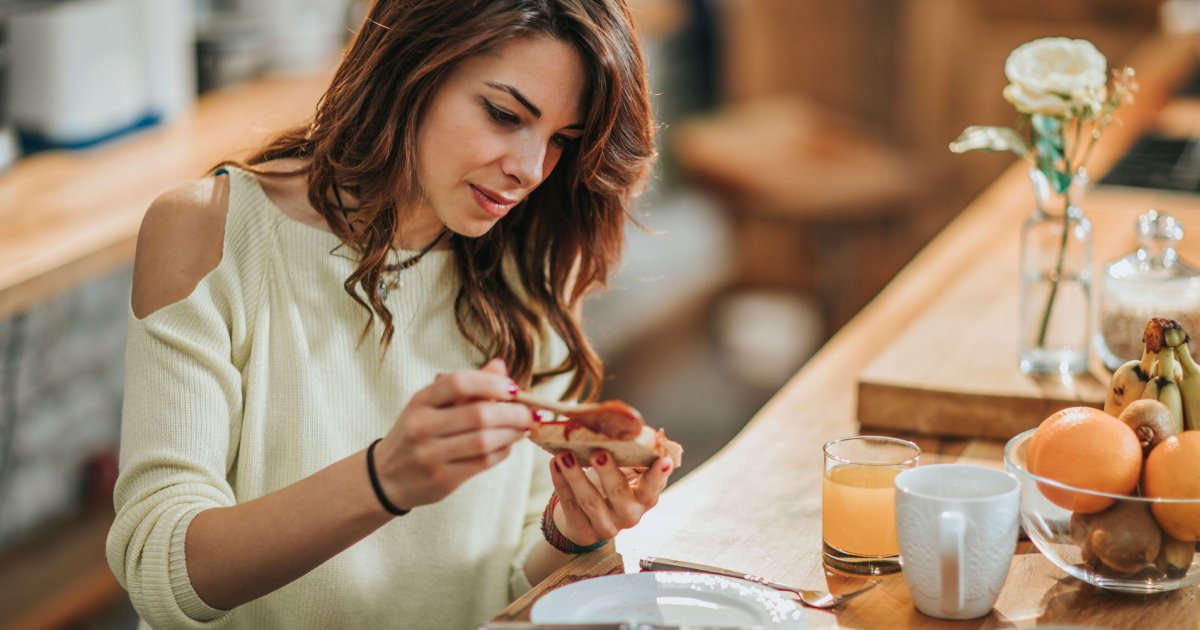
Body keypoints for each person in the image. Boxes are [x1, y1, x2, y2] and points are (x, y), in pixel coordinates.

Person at [105, 1, 666, 627]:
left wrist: (571, 531)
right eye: (504, 115)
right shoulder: (209, 230)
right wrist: (382, 480)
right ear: (409, 66)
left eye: (563, 140)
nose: (530, 171)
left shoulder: (532, 261)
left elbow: (505, 578)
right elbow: (158, 568)